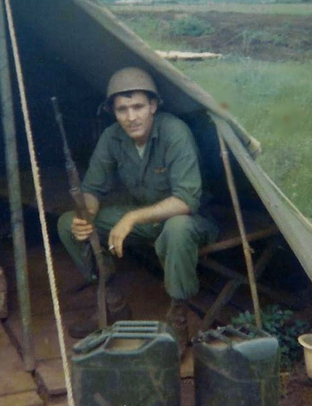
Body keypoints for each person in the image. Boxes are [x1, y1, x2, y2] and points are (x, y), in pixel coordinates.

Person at [57, 67, 218, 354]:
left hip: (192, 220)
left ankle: (178, 319)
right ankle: (113, 302)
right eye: (122, 109)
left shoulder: (174, 132)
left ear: (153, 105)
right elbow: (92, 189)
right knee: (69, 223)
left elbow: (186, 201)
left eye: (138, 107)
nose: (131, 117)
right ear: (113, 112)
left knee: (178, 227)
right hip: (146, 217)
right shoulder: (112, 137)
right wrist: (86, 215)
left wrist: (131, 218)